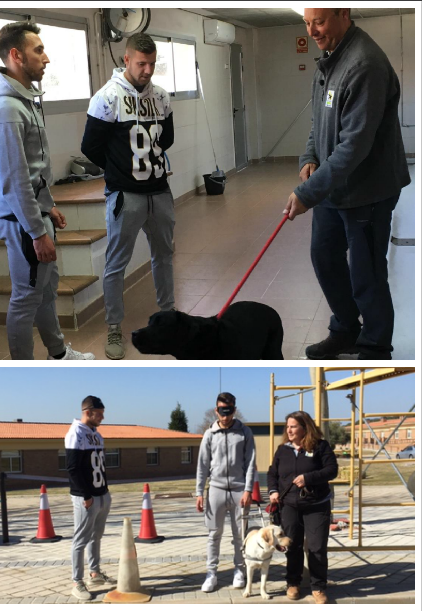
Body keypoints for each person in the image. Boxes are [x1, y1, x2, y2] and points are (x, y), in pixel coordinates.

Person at [284, 8, 410, 360]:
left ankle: (375, 345)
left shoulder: (363, 63)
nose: (312, 31)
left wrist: (307, 193)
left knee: (366, 273)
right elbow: (319, 120)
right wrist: (309, 157)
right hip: (334, 186)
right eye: (307, 23)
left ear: (344, 14)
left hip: (368, 190)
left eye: (319, 22)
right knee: (324, 256)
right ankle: (345, 328)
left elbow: (354, 145)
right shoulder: (330, 58)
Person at [0, 21, 94, 360]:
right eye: (39, 50)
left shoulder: (24, 100)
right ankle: (22, 370)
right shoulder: (6, 109)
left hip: (35, 215)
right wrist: (36, 230)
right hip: (22, 223)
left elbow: (33, 171)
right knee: (26, 297)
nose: (46, 58)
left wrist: (48, 207)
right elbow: (14, 180)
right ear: (16, 55)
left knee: (45, 293)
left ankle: (58, 354)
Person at [81, 32, 175, 360]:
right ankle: (113, 327)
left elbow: (168, 138)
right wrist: (120, 168)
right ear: (126, 60)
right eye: (141, 64)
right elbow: (89, 147)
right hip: (124, 195)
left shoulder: (161, 97)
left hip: (160, 191)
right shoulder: (106, 98)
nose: (147, 70)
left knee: (164, 255)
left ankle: (170, 316)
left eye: (151, 64)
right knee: (116, 263)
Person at [267, 411, 338, 604]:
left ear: (305, 428)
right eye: (287, 426)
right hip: (289, 505)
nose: (289, 430)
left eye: (293, 426)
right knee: (293, 546)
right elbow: (272, 473)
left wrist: (308, 478)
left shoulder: (320, 447)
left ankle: (318, 587)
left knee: (316, 548)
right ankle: (293, 583)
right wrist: (273, 491)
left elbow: (332, 470)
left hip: (316, 505)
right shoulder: (283, 450)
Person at [195, 392, 256, 593]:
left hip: (239, 490)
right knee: (214, 534)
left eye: (229, 411)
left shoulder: (244, 432)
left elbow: (250, 463)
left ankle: (239, 570)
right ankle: (211, 573)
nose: (225, 415)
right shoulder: (209, 434)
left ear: (234, 409)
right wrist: (199, 492)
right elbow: (202, 465)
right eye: (222, 411)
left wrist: (248, 490)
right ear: (216, 410)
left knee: (239, 535)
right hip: (216, 490)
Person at [65, 395, 114, 600]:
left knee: (97, 536)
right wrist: (85, 495)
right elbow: (73, 468)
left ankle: (94, 572)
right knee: (80, 540)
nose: (102, 417)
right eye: (99, 414)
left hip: (101, 493)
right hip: (86, 497)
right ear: (88, 412)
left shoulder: (96, 434)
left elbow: (99, 466)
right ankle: (77, 581)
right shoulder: (76, 432)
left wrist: (105, 491)